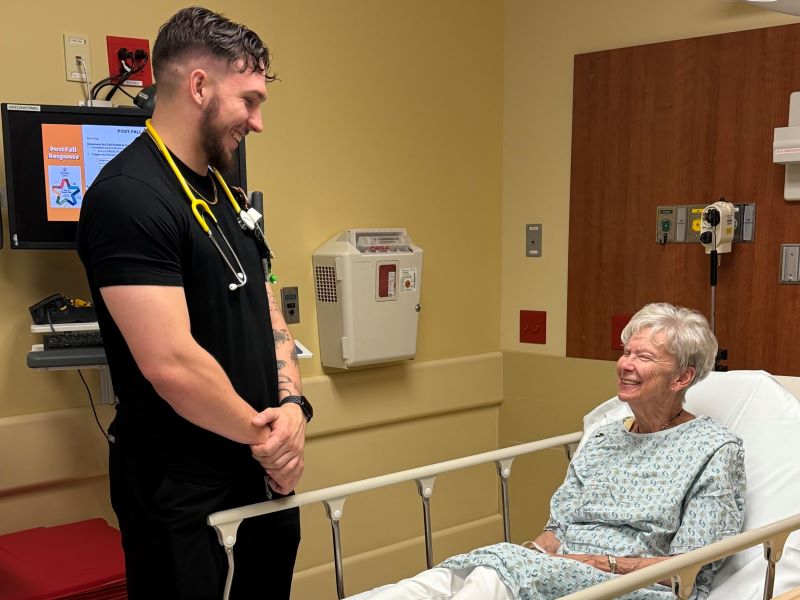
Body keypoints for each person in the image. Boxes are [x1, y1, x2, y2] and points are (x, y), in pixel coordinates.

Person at [76, 7, 311, 600]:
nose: (258, 123)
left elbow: (268, 310)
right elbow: (172, 363)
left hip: (260, 470)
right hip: (180, 487)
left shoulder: (226, 193)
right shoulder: (128, 197)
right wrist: (269, 441)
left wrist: (292, 408)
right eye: (248, 101)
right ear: (199, 86)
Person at [351, 303, 745, 600]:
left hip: (635, 586)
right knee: (444, 581)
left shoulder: (712, 450)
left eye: (643, 357)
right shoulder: (604, 439)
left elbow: (690, 566)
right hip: (563, 571)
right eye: (626, 352)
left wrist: (599, 563)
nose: (625, 364)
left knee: (493, 576)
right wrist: (533, 555)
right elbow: (558, 531)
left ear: (682, 377)